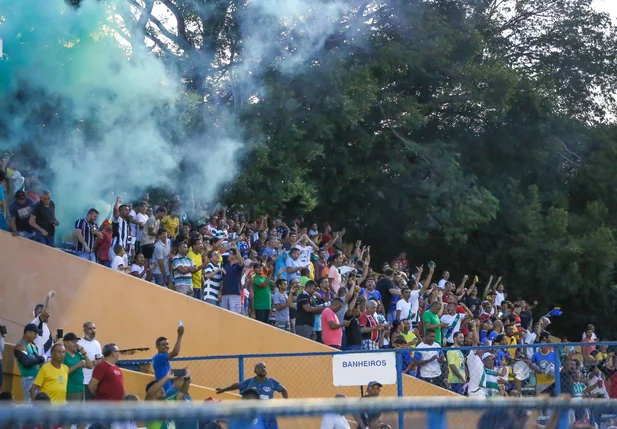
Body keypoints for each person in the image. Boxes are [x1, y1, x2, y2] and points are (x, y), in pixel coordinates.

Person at [216, 362, 288, 429]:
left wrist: (285, 403)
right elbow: (237, 385)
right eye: (260, 367)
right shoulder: (250, 382)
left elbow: (283, 390)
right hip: (256, 413)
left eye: (264, 367)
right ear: (255, 371)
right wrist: (224, 389)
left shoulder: (272, 382)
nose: (263, 369)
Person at [14, 323, 46, 403]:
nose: (36, 336)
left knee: (38, 404)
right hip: (29, 379)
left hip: (37, 379)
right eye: (35, 333)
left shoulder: (33, 346)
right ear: (28, 332)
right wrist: (40, 359)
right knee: (29, 404)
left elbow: (39, 361)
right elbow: (26, 362)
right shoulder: (20, 346)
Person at [62, 332, 93, 402]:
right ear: (66, 343)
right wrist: (77, 366)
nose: (75, 343)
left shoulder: (77, 355)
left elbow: (90, 366)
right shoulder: (63, 356)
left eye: (76, 341)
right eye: (73, 341)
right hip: (70, 389)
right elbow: (62, 372)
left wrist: (84, 353)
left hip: (81, 388)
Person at [152, 324, 185, 391]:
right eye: (163, 345)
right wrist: (180, 335)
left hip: (169, 392)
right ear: (157, 347)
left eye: (167, 344)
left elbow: (170, 373)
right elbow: (175, 352)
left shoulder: (165, 359)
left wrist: (183, 372)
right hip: (163, 392)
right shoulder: (158, 357)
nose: (166, 346)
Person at [78, 321, 102, 400]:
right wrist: (90, 363)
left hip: (95, 381)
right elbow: (76, 361)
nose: (93, 331)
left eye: (94, 328)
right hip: (84, 381)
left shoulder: (97, 343)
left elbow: (99, 357)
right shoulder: (79, 343)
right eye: (90, 329)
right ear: (84, 330)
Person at [31, 290, 55, 360]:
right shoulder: (35, 323)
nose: (47, 314)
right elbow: (45, 313)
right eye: (41, 312)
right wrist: (48, 298)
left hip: (47, 361)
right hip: (38, 360)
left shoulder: (45, 326)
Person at [221, 248, 244, 314]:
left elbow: (241, 262)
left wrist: (236, 249)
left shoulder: (238, 266)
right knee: (224, 316)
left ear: (235, 256)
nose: (228, 255)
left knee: (234, 316)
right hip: (224, 294)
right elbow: (223, 280)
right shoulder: (226, 266)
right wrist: (220, 292)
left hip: (235, 294)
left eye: (230, 254)